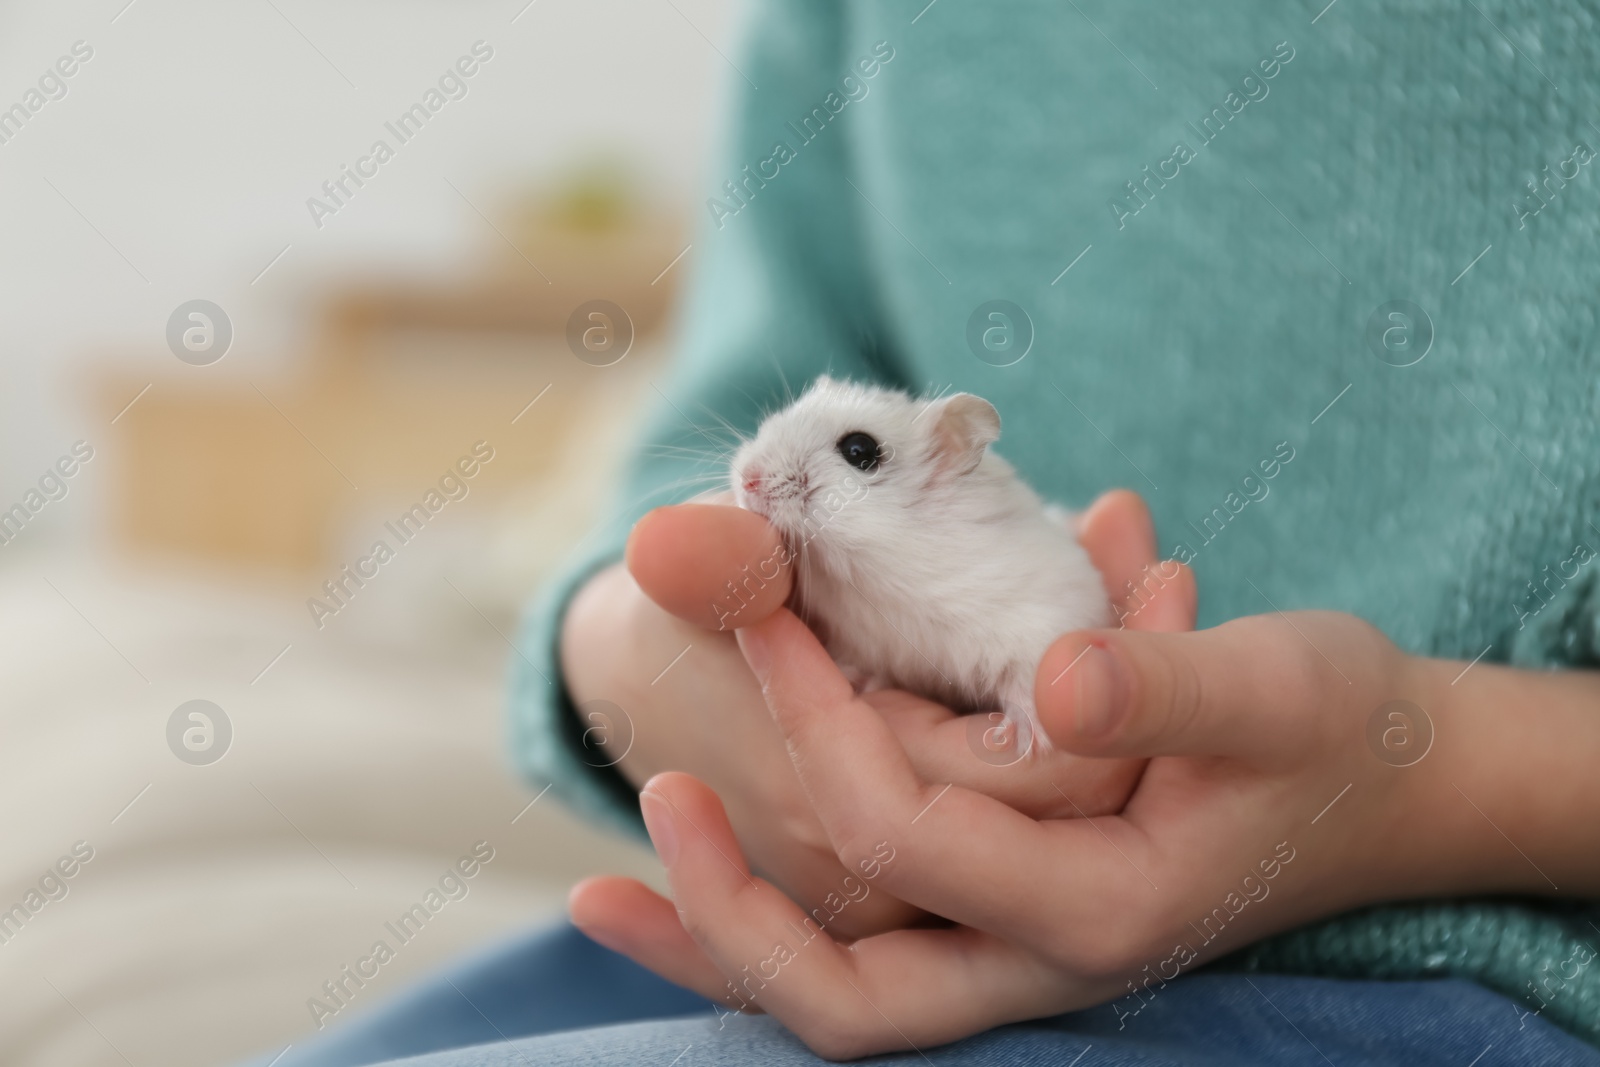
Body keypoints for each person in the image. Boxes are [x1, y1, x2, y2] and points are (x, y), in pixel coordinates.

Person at [254, 1, 1600, 1063]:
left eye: (846, 457)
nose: (773, 471)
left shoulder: (1010, 550)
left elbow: (1043, 635)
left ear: (955, 463)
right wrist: (634, 651)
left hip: (1488, 978)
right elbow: (713, 443)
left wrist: (1430, 778)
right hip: (815, 933)